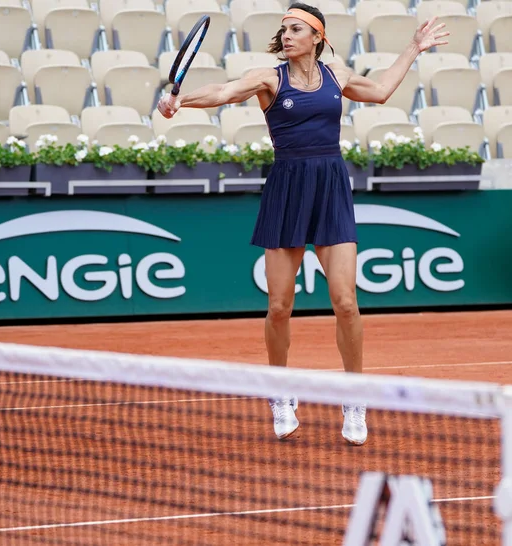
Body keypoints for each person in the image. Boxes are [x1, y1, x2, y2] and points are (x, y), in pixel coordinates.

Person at [157, 4, 449, 445]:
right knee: (278, 306)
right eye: (284, 29)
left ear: (317, 36)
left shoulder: (338, 75)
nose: (287, 35)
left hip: (331, 186)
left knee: (345, 301)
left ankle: (354, 397)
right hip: (288, 186)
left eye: (296, 29)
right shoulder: (269, 78)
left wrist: (413, 47)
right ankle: (280, 391)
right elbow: (223, 90)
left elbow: (383, 90)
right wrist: (181, 98)